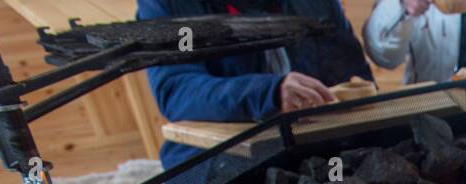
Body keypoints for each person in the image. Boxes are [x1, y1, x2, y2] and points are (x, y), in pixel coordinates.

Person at [140, 0, 374, 169]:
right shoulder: (168, 5)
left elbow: (357, 79)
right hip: (218, 158)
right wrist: (269, 93)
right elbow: (177, 91)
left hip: (313, 148)